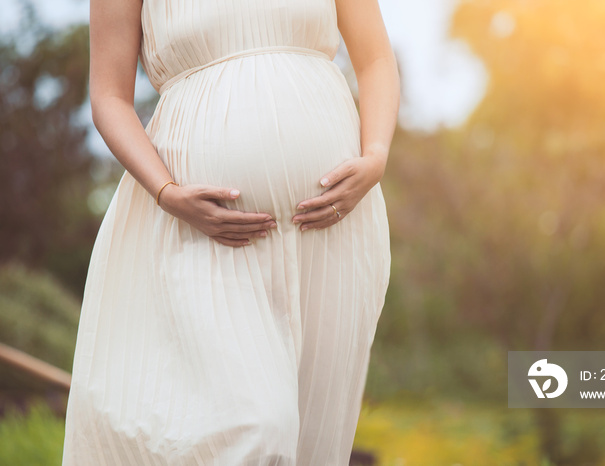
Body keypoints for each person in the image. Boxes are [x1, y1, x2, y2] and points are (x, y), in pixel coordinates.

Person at [61, 0, 400, 465]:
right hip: (198, 233)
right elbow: (109, 97)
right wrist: (166, 192)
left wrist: (376, 154)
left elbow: (377, 58)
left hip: (334, 231)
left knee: (312, 445)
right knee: (258, 430)